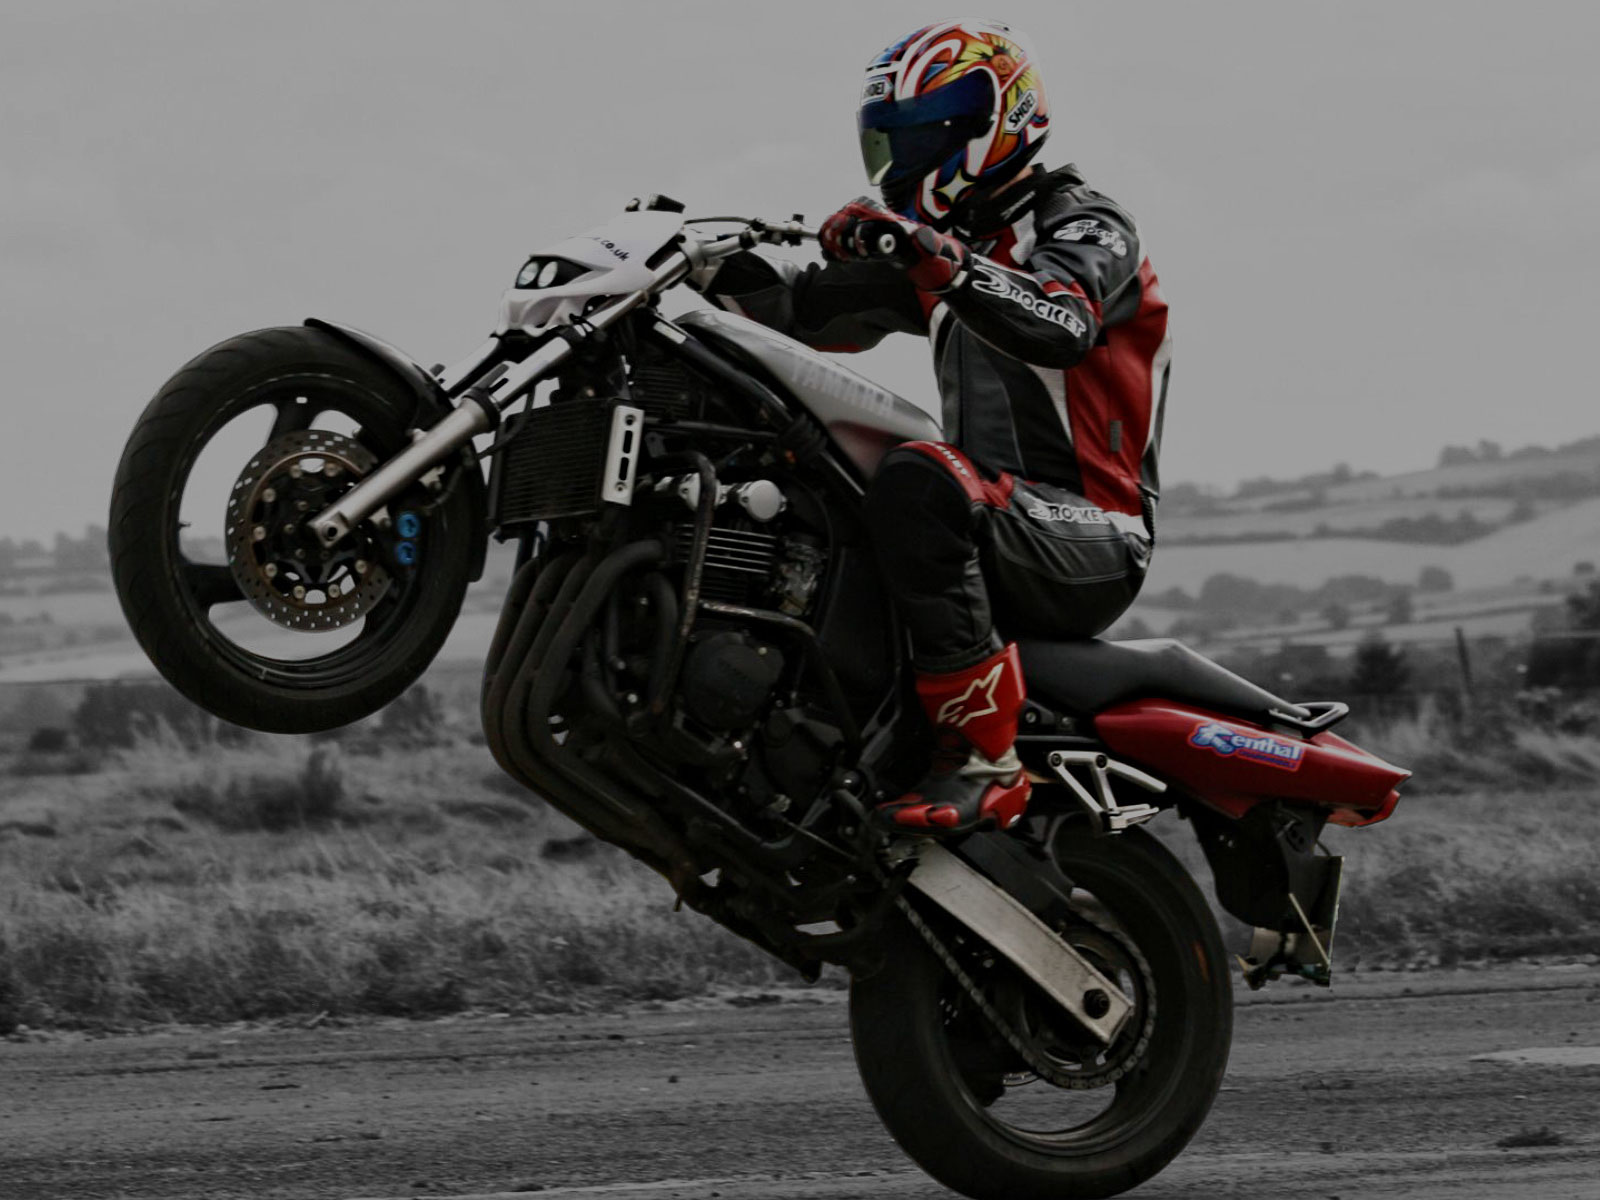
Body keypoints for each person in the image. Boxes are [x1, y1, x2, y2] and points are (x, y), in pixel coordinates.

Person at [702, 19, 1171, 836]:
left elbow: (1061, 322)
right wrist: (688, 264)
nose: (908, 160)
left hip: (1094, 535)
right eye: (893, 141)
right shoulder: (951, 252)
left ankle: (986, 760)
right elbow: (798, 308)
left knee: (919, 476)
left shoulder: (1085, 222)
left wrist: (934, 258)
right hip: (995, 519)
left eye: (929, 133)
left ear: (997, 120)